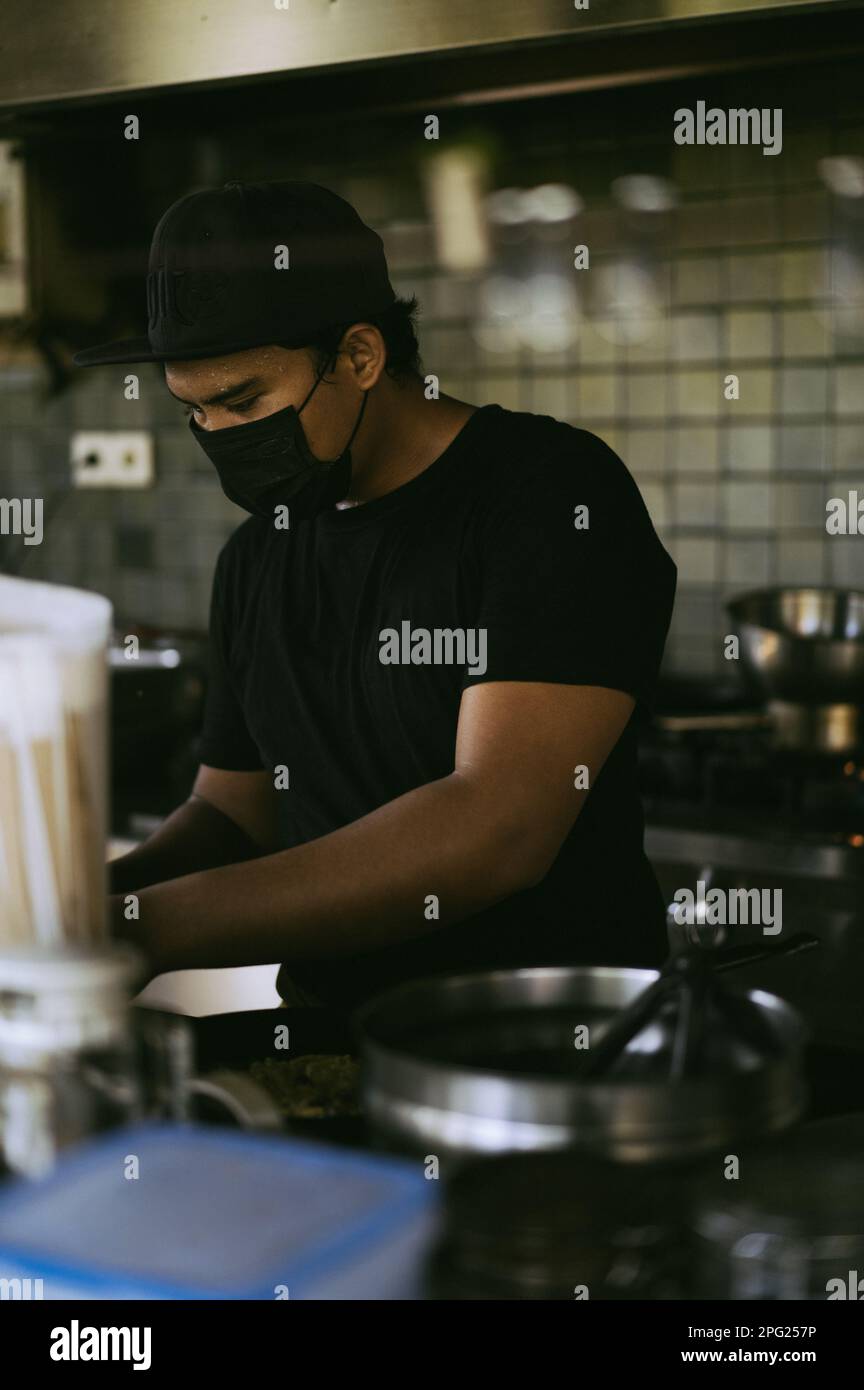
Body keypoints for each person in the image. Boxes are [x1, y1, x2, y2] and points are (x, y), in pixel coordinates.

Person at [74, 179, 676, 1010]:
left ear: (360, 356)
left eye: (243, 400)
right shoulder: (256, 557)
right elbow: (233, 814)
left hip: (545, 1049)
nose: (218, 436)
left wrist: (149, 931)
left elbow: (497, 826)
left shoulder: (549, 498)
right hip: (330, 1056)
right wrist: (75, 916)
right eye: (195, 411)